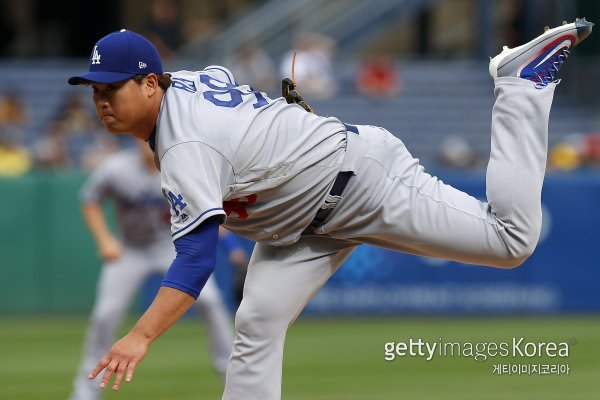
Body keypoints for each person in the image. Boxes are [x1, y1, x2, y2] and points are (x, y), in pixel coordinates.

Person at [67, 21, 593, 399]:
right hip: (301, 224)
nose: (102, 101)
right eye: (95, 91)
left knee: (511, 242)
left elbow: (195, 260)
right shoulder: (183, 81)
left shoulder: (184, 148)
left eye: (112, 87)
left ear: (150, 83)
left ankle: (522, 85)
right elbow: (221, 75)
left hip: (362, 184)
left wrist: (140, 336)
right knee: (257, 323)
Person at [69, 139, 233, 400]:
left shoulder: (181, 166)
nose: (151, 146)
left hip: (171, 247)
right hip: (130, 250)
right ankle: (85, 393)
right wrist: (104, 239)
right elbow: (90, 199)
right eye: (147, 141)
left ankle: (233, 381)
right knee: (105, 315)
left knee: (211, 302)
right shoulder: (116, 168)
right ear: (138, 140)